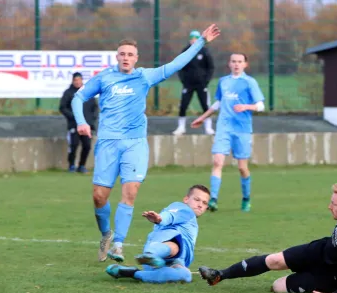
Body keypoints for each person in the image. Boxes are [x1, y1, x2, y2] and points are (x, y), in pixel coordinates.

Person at [71, 24, 221, 263]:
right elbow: (79, 97)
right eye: (122, 54)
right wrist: (81, 122)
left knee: (130, 192)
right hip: (109, 143)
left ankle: (118, 244)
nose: (126, 58)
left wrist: (201, 41)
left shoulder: (144, 76)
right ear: (117, 56)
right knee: (99, 197)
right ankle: (106, 234)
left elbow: (176, 64)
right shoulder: (105, 78)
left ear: (136, 58)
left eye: (130, 54)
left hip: (135, 144)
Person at [199, 183, 337, 293]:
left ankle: (310, 279)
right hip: (323, 249)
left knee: (277, 287)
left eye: (333, 204)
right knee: (275, 260)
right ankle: (219, 275)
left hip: (335, 275)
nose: (329, 207)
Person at [190, 53, 265, 213]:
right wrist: (202, 118)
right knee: (217, 162)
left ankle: (246, 198)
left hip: (242, 130)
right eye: (233, 61)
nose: (236, 64)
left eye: (239, 62)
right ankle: (213, 200)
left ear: (245, 64)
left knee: (242, 168)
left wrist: (246, 107)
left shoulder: (249, 82)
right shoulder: (223, 81)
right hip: (224, 128)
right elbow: (218, 103)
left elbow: (261, 106)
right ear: (229, 64)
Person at [105, 185, 210, 284]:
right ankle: (151, 254)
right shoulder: (184, 209)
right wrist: (160, 218)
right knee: (175, 245)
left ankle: (132, 273)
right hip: (161, 247)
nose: (200, 205)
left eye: (204, 203)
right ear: (186, 199)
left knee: (185, 275)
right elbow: (170, 215)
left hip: (170, 260)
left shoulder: (190, 220)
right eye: (197, 200)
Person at [172, 30, 215, 136]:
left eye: (196, 38)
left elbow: (210, 67)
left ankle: (208, 128)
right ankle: (181, 127)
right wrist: (184, 81)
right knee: (183, 105)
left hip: (201, 84)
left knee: (205, 106)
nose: (193, 41)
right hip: (188, 84)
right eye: (192, 38)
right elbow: (180, 67)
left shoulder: (204, 51)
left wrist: (206, 81)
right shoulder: (185, 51)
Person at [59, 72, 97, 173]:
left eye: (79, 80)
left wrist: (91, 120)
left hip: (87, 126)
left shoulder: (88, 92)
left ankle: (82, 166)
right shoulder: (68, 93)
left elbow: (94, 108)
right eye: (75, 80)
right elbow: (63, 107)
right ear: (72, 81)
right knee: (74, 145)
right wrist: (73, 117)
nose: (77, 82)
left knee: (87, 146)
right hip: (74, 125)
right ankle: (71, 165)